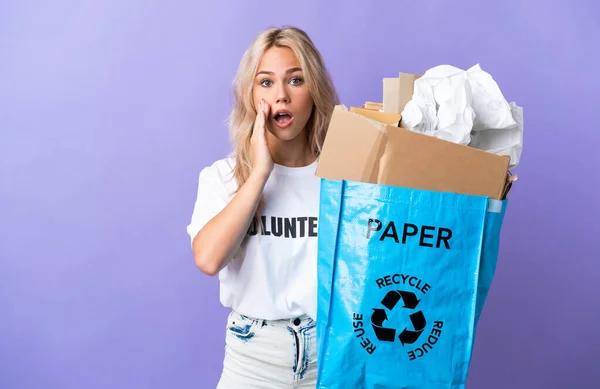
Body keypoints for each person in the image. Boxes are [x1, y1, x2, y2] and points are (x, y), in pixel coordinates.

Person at [186, 26, 339, 388]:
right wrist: (259, 175)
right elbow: (208, 259)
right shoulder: (223, 178)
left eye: (296, 80)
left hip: (330, 358)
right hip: (252, 362)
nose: (281, 96)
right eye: (266, 82)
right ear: (250, 95)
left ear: (314, 90)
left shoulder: (343, 177)